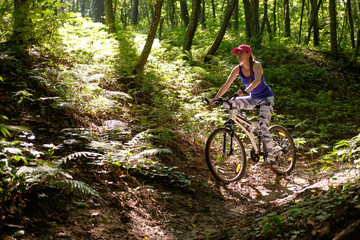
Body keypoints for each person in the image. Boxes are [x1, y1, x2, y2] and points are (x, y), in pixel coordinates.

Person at [209, 45, 275, 167]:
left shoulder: (256, 65)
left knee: (263, 127)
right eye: (237, 54)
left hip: (266, 98)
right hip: (253, 99)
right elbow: (226, 85)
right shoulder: (237, 69)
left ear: (249, 54)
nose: (238, 56)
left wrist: (245, 90)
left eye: (241, 53)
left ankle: (271, 158)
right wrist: (216, 98)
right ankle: (247, 124)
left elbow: (257, 81)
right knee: (228, 103)